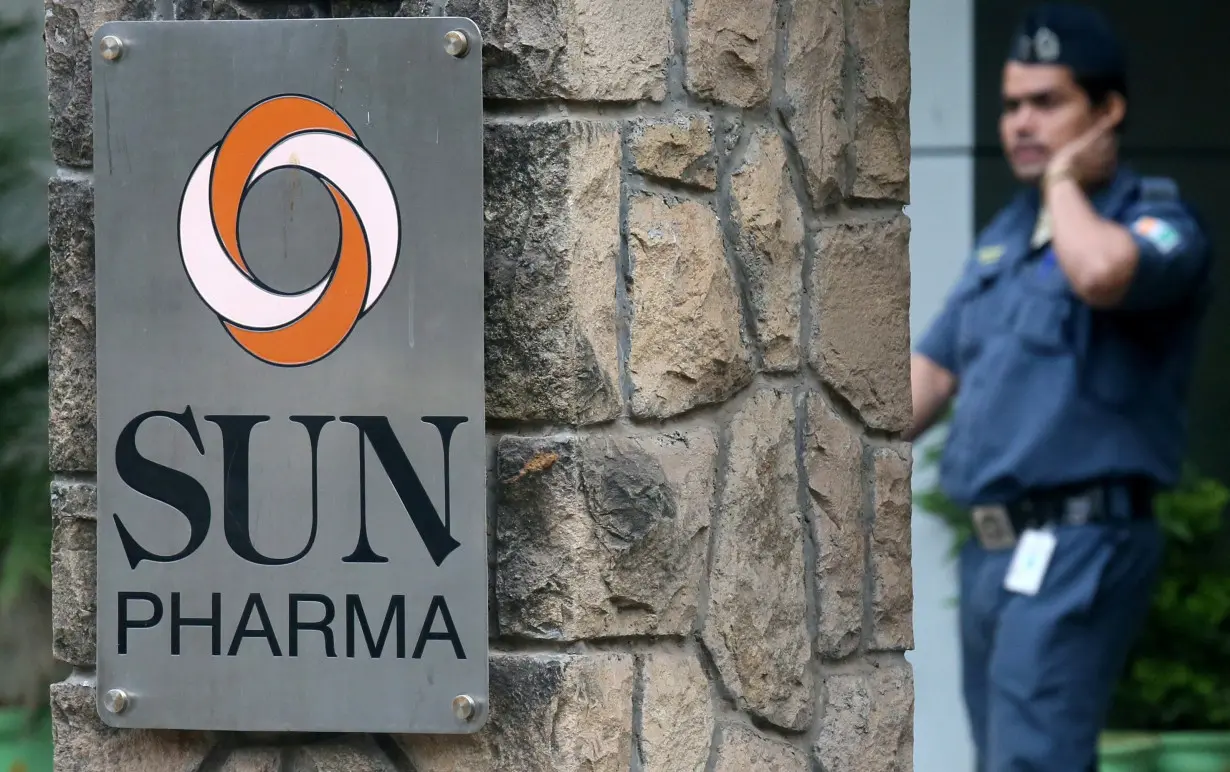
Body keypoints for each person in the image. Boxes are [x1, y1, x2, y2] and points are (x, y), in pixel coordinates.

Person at [907, 4, 1213, 770]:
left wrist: (1066, 182)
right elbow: (933, 372)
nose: (1021, 123)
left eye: (1048, 103)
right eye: (1012, 104)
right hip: (994, 551)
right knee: (1002, 759)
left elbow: (1102, 273)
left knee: (1030, 763)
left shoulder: (1155, 219)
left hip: (1080, 541)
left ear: (1107, 111)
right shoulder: (1008, 234)